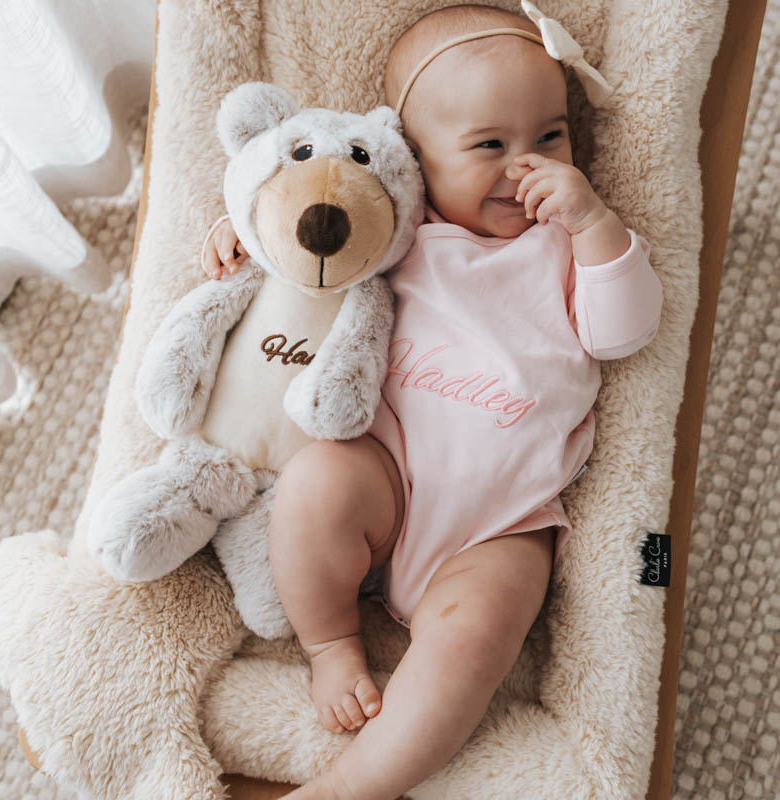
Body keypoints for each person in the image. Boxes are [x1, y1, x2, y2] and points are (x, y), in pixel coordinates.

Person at [202, 5, 663, 798]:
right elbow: (313, 236)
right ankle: (332, 642)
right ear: (416, 160)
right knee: (318, 485)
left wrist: (593, 223)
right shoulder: (401, 231)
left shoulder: (565, 247)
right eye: (490, 145)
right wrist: (245, 234)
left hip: (501, 525)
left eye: (550, 137)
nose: (526, 167)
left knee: (478, 634)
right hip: (388, 474)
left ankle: (359, 783)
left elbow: (624, 333)